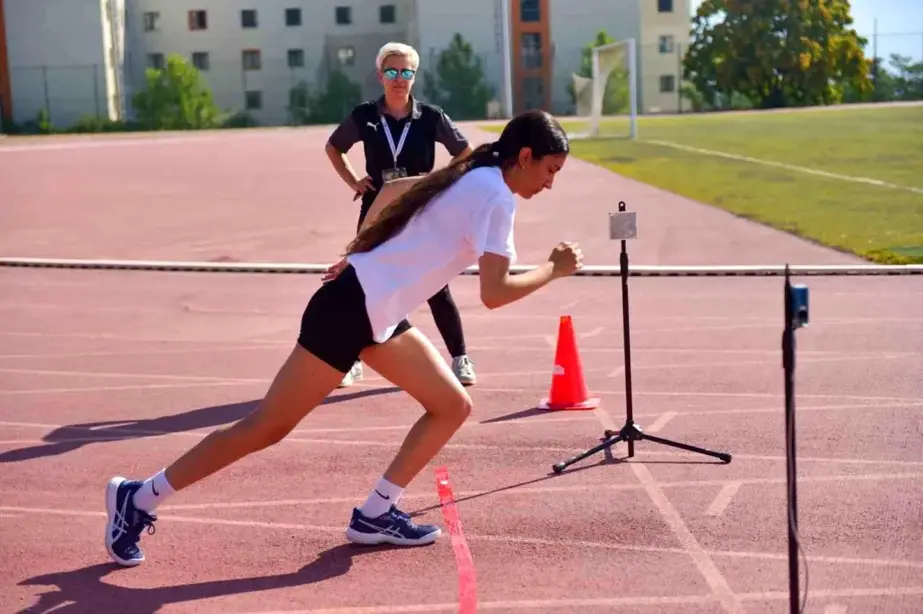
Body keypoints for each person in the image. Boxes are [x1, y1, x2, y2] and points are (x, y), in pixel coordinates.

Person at [103, 109, 581, 568]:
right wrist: (553, 270)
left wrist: (359, 255)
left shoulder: (473, 173)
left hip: (376, 311)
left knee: (451, 404)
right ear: (523, 157)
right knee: (265, 427)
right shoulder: (496, 197)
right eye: (550, 170)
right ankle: (138, 496)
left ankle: (376, 512)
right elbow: (495, 292)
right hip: (350, 311)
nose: (550, 183)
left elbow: (391, 192)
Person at [325, 42, 477, 389]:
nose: (399, 79)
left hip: (420, 207)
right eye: (392, 71)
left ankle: (460, 357)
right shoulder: (365, 115)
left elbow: (465, 152)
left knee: (436, 283)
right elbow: (334, 147)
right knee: (364, 281)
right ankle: (351, 360)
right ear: (380, 75)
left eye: (406, 72)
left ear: (414, 76)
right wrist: (353, 180)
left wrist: (438, 182)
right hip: (377, 207)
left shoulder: (431, 116)